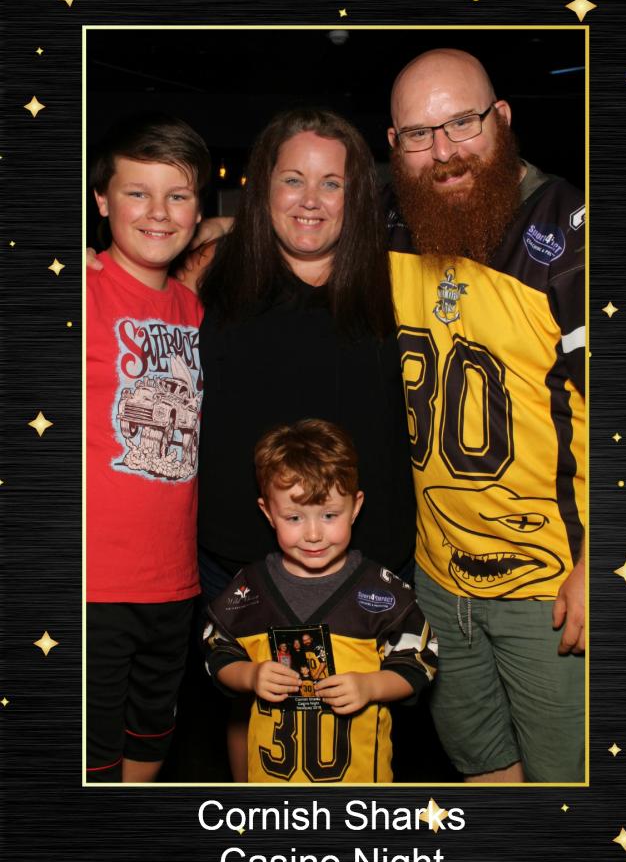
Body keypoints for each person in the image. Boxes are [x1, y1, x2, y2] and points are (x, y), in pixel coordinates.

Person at [173, 107, 419, 781]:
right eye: (292, 179)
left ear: (356, 195)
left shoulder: (395, 283)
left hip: (367, 560)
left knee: (357, 727)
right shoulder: (214, 278)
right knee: (251, 711)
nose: (310, 199)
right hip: (239, 554)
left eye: (331, 183)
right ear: (262, 186)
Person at [386, 48, 585, 782]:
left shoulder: (570, 234)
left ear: (500, 118)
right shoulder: (392, 225)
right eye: (419, 133)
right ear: (395, 144)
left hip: (550, 587)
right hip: (438, 583)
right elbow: (297, 232)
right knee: (486, 777)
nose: (444, 151)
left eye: (462, 123)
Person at [202, 419, 437, 783]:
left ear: (355, 507)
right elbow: (217, 653)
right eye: (294, 517)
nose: (313, 534)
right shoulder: (248, 589)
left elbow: (421, 662)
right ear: (268, 513)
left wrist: (371, 686)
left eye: (329, 515)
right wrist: (250, 675)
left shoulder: (382, 592)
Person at [86, 113, 211, 782]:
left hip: (174, 581)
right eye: (137, 193)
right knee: (90, 760)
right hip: (91, 585)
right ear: (101, 201)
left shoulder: (195, 311)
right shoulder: (77, 289)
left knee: (151, 739)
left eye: (178, 195)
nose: (158, 212)